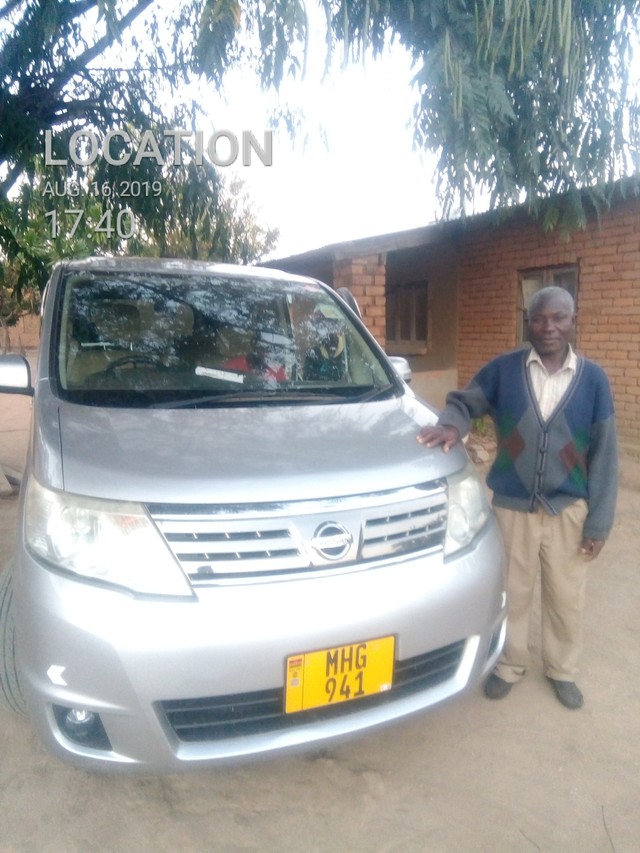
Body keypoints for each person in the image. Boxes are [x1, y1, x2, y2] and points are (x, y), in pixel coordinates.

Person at [417, 286, 618, 709]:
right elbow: (463, 403)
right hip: (512, 508)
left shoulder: (593, 380)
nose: (548, 327)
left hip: (568, 510)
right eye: (539, 318)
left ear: (574, 321)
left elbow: (605, 454)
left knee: (566, 597)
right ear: (528, 322)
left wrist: (599, 522)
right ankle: (510, 664)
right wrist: (452, 425)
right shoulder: (504, 371)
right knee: (513, 591)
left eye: (558, 318)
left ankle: (562, 670)